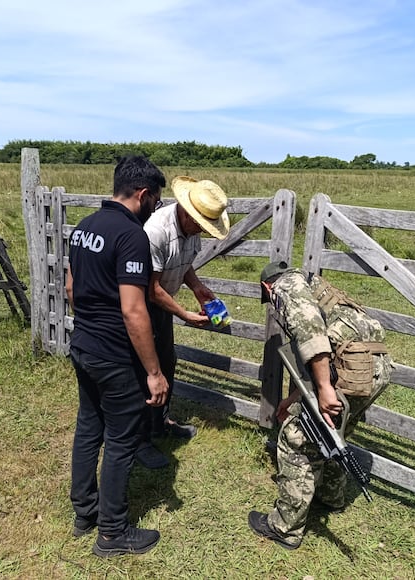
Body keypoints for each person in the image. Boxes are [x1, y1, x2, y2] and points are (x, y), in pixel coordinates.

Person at [65, 155, 169, 557]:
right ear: (142, 195)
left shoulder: (84, 227)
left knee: (89, 428)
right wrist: (154, 372)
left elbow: (73, 289)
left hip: (84, 346)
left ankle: (84, 512)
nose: (155, 209)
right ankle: (111, 532)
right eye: (156, 201)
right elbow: (133, 309)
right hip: (114, 356)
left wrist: (91, 323)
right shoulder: (131, 236)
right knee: (122, 441)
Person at [249, 261, 392, 550]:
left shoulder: (286, 286)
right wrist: (297, 398)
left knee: (295, 442)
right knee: (336, 432)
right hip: (375, 368)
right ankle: (331, 497)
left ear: (268, 286)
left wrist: (325, 389)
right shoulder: (320, 288)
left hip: (348, 370)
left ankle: (284, 527)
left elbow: (311, 333)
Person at [135, 176, 230, 469]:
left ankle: (161, 423)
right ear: (188, 213)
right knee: (144, 373)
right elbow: (151, 288)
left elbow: (184, 264)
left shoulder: (190, 229)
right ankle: (139, 441)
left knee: (167, 363)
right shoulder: (157, 231)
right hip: (142, 307)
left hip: (163, 306)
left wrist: (198, 288)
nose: (204, 231)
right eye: (202, 225)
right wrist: (184, 314)